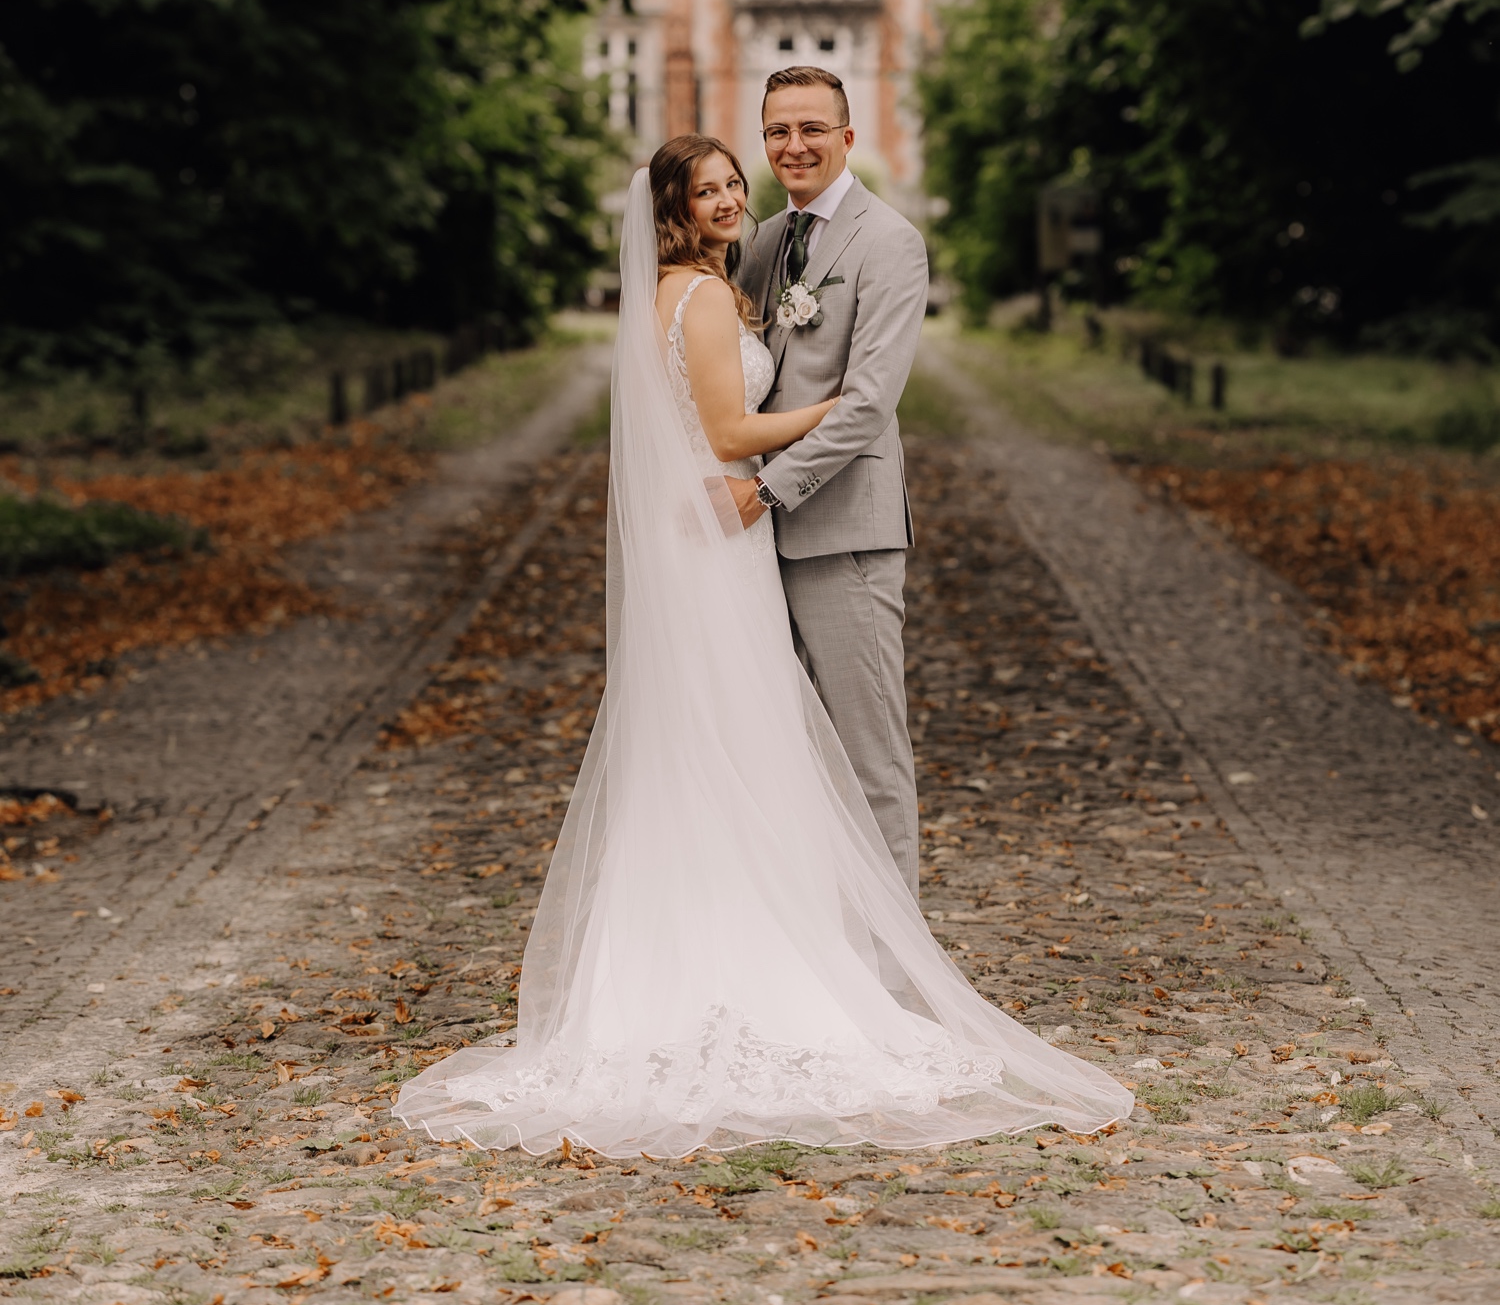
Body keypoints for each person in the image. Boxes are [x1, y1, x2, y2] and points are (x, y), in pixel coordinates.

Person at [394, 134, 1131, 1158]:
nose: (733, 195)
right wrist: (848, 410)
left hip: (710, 538)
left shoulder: (714, 281)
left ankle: (739, 951)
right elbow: (732, 434)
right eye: (709, 188)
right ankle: (764, 971)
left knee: (726, 743)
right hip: (719, 535)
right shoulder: (696, 300)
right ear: (674, 208)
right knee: (741, 739)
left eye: (735, 181)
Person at [731, 66, 929, 896]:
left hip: (844, 530)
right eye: (778, 130)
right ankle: (824, 959)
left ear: (848, 136)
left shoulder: (889, 241)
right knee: (786, 757)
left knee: (869, 756)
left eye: (812, 128)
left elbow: (868, 403)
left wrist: (770, 487)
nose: (794, 145)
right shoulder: (766, 242)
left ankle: (897, 983)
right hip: (750, 547)